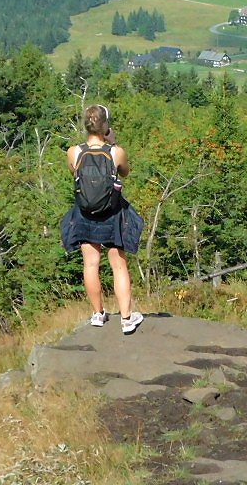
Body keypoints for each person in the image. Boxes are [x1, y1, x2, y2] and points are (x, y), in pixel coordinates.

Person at [64, 104, 144, 334]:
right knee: (118, 264)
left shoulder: (74, 151)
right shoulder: (115, 152)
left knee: (90, 263)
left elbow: (74, 172)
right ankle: (127, 319)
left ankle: (98, 314)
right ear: (105, 125)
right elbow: (125, 171)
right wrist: (112, 143)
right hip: (111, 212)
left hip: (85, 213)